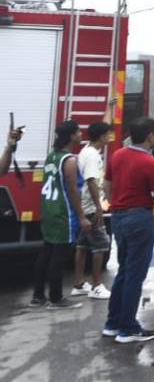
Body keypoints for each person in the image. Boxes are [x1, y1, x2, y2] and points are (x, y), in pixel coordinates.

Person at [103, 116, 154, 343]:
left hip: (119, 216)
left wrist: (118, 202)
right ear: (150, 135)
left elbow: (106, 184)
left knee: (124, 270)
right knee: (135, 274)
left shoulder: (118, 155)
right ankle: (128, 327)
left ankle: (113, 322)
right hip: (140, 217)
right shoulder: (151, 163)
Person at [31, 120, 90, 309]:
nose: (81, 134)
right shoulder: (70, 160)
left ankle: (38, 296)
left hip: (48, 209)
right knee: (59, 255)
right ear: (71, 136)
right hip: (63, 212)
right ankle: (56, 298)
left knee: (46, 252)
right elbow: (73, 191)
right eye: (78, 132)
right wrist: (81, 216)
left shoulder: (51, 156)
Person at [71, 122, 112, 299]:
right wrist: (98, 207)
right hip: (90, 207)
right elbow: (91, 181)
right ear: (102, 136)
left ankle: (79, 284)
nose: (110, 137)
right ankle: (97, 285)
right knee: (101, 245)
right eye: (108, 134)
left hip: (84, 205)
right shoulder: (92, 155)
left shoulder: (86, 151)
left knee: (83, 246)